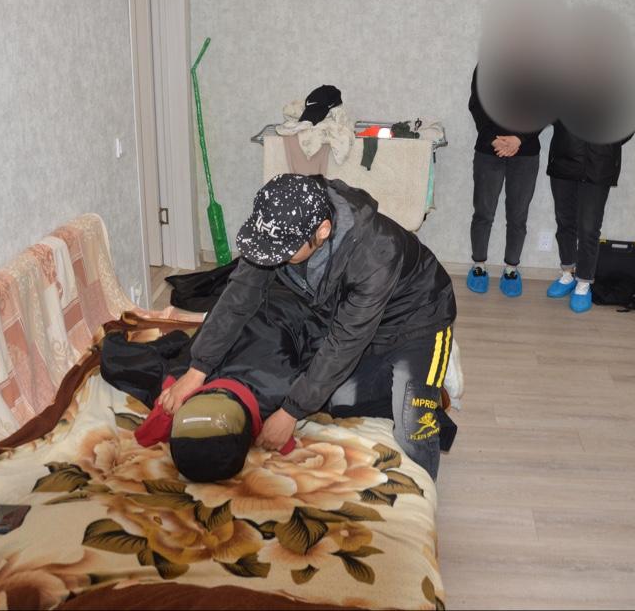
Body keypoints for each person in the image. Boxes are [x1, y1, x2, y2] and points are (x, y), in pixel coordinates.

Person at [159, 174, 457, 479]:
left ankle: (423, 416)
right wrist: (197, 370)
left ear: (322, 230)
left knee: (413, 423)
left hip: (418, 318)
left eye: (284, 250)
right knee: (336, 400)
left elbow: (344, 343)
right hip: (355, 316)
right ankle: (404, 387)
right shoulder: (282, 219)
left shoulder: (377, 253)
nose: (273, 256)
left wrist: (290, 412)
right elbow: (237, 298)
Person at [467, 66, 542, 297]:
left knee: (518, 215)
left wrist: (519, 139)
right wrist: (493, 139)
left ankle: (511, 269)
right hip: (489, 150)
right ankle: (478, 265)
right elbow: (477, 105)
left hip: (526, 153)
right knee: (483, 212)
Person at [545, 120, 633, 313]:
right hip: (564, 161)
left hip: (599, 165)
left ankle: (583, 283)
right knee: (564, 222)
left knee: (589, 228)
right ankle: (567, 274)